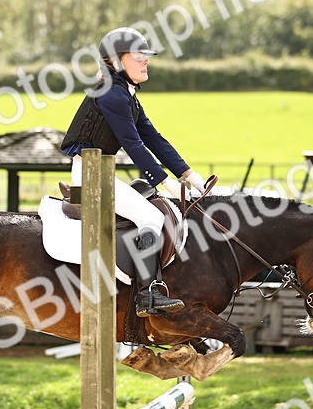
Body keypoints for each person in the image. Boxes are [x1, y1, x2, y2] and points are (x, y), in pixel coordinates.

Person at [61, 26, 208, 317]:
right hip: (90, 173)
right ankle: (147, 295)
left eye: (146, 56)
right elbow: (134, 145)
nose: (146, 61)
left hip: (100, 170)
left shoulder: (125, 94)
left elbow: (154, 138)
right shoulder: (111, 96)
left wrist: (191, 177)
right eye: (139, 56)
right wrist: (167, 184)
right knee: (151, 216)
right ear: (115, 62)